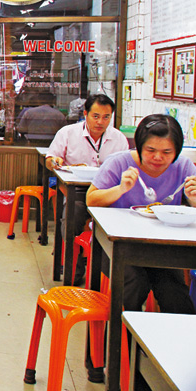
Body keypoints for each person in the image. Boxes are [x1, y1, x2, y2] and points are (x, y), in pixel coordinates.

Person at [86, 114, 196, 314]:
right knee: (134, 283)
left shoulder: (183, 166)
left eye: (167, 152)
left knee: (174, 292)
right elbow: (91, 199)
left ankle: (171, 334)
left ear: (177, 151)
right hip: (115, 243)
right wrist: (120, 189)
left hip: (162, 245)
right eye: (150, 150)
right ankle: (122, 333)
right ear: (139, 147)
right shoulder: (119, 163)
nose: (158, 157)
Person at [45, 93, 128, 283]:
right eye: (95, 116)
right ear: (85, 114)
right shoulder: (68, 133)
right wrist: (55, 161)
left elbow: (124, 170)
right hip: (76, 191)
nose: (100, 122)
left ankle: (107, 270)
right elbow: (50, 160)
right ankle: (73, 267)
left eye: (106, 117)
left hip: (107, 193)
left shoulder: (119, 139)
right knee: (72, 215)